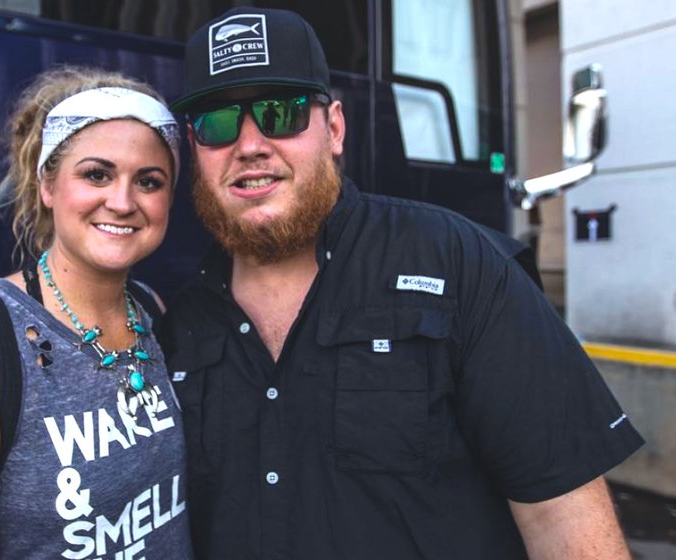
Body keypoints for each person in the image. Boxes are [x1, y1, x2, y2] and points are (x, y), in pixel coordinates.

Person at [162, 7, 643, 559]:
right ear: (195, 148)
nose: (249, 145)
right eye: (217, 123)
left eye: (281, 112)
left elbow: (566, 526)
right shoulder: (178, 323)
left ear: (334, 128)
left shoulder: (460, 264)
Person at [0, 67, 193, 559]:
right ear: (48, 187)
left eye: (149, 181)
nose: (122, 201)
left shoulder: (150, 309)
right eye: (96, 174)